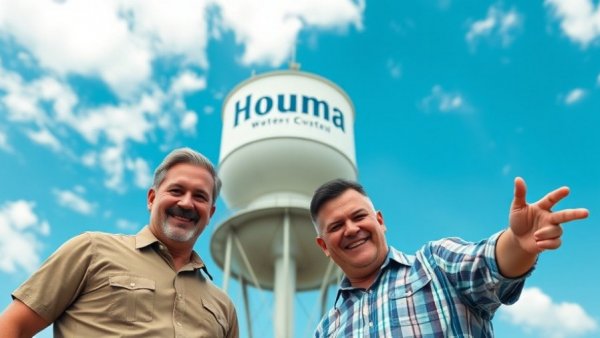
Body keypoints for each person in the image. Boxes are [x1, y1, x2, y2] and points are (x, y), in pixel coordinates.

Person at [0, 147, 239, 337]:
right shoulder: (91, 250)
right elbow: (13, 327)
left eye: (199, 196)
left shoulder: (224, 307)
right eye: (176, 191)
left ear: (210, 213)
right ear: (152, 198)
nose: (187, 203)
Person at [310, 177, 589, 337]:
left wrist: (517, 242)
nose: (351, 229)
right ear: (324, 245)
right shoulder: (327, 328)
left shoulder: (435, 263)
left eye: (359, 216)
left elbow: (487, 264)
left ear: (380, 221)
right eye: (336, 226)